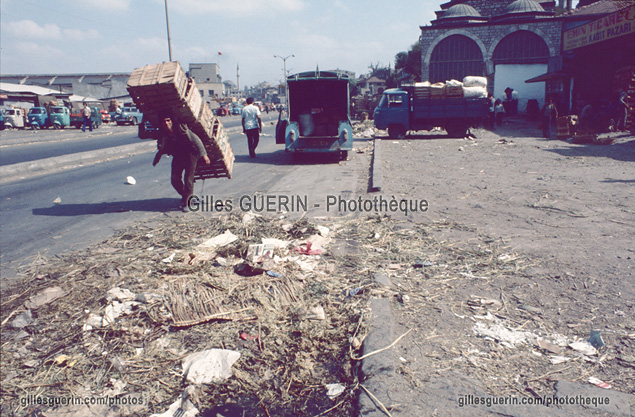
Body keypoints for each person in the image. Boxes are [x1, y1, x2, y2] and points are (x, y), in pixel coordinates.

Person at [156, 114, 210, 211]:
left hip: (191, 155)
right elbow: (160, 146)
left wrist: (204, 155)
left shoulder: (181, 129)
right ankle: (186, 196)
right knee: (174, 179)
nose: (166, 123)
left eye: (168, 120)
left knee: (188, 180)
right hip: (178, 156)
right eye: (164, 121)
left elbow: (196, 140)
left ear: (172, 121)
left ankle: (187, 203)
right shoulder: (163, 134)